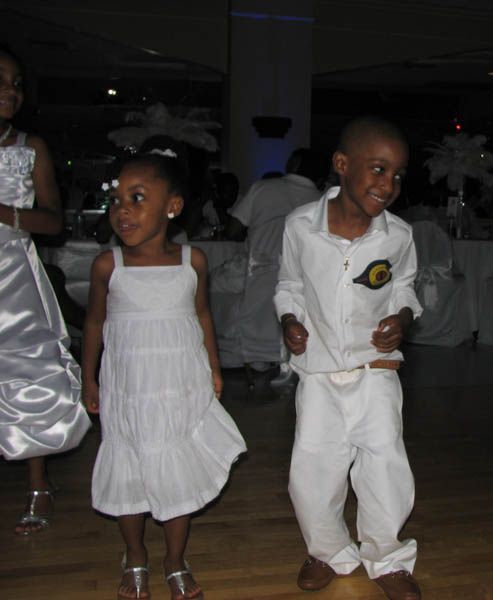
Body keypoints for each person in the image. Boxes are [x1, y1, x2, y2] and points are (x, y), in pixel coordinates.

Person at [81, 149, 246, 600]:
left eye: (137, 198)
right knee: (129, 466)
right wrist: (89, 379)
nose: (122, 210)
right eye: (116, 200)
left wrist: (213, 367)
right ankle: (135, 553)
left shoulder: (193, 261)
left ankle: (175, 558)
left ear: (172, 207)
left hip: (179, 384)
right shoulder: (108, 266)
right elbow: (94, 324)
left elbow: (203, 315)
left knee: (175, 468)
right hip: (130, 388)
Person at [274, 116, 423, 600]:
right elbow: (289, 285)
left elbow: (404, 288)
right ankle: (327, 550)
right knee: (314, 466)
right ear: (342, 164)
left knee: (384, 464)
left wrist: (402, 317)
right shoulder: (300, 227)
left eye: (397, 175)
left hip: (375, 369)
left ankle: (387, 556)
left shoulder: (398, 236)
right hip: (319, 372)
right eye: (378, 169)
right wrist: (289, 319)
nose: (388, 184)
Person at [0, 44, 91, 535]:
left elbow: (54, 221)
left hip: (13, 276)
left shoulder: (29, 147)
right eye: (1, 80)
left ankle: (39, 484)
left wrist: (5, 213)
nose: (10, 92)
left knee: (31, 374)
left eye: (16, 84)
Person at [225, 148, 328, 386]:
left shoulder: (263, 188)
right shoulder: (323, 201)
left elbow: (233, 230)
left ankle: (253, 372)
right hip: (304, 279)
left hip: (261, 274)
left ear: (295, 163)